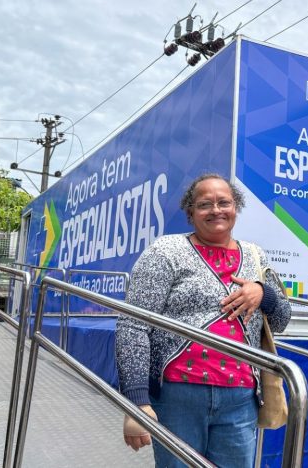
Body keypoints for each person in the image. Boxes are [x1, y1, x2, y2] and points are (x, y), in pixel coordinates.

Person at [116, 173, 291, 467]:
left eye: (224, 202)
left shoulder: (255, 256)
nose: (216, 210)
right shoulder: (166, 251)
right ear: (190, 213)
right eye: (204, 204)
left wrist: (263, 294)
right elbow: (133, 325)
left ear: (236, 208)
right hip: (178, 395)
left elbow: (282, 320)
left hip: (240, 397)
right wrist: (136, 403)